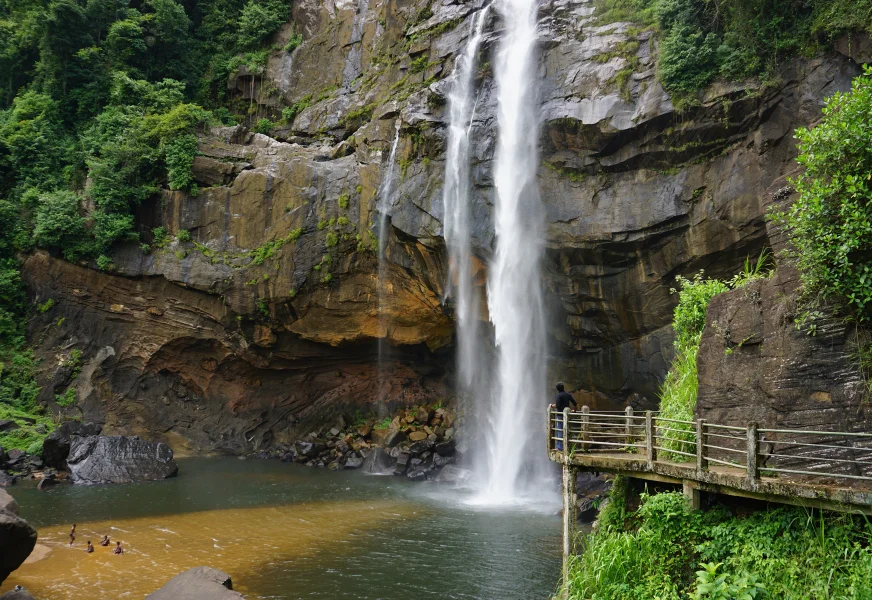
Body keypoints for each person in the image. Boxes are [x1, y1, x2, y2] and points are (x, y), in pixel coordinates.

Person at [550, 382, 577, 452]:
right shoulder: (568, 394)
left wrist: (552, 406)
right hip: (567, 416)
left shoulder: (558, 396)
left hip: (560, 416)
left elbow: (558, 405)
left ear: (557, 389)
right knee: (568, 430)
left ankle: (559, 447)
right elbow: (575, 403)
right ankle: (568, 446)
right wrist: (574, 410)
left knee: (560, 430)